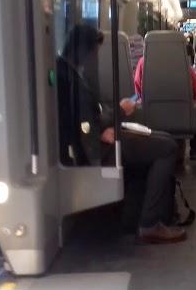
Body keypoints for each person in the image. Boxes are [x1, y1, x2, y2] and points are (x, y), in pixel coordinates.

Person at [57, 24, 187, 244]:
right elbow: (85, 123)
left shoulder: (67, 70)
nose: (94, 58)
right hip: (97, 148)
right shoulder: (69, 77)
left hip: (98, 136)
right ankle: (149, 223)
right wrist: (118, 112)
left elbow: (88, 116)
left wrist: (108, 119)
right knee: (168, 148)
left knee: (164, 139)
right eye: (93, 52)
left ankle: (152, 215)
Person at [133, 53, 196, 160]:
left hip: (152, 115)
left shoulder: (143, 62)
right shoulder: (183, 62)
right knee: (194, 110)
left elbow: (137, 87)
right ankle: (195, 150)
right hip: (181, 115)